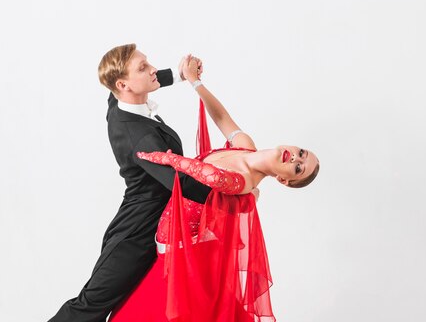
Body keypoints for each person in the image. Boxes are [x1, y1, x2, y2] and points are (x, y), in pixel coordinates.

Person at [108, 58, 320, 322]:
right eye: (301, 153)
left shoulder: (244, 182)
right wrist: (195, 83)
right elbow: (221, 117)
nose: (295, 158)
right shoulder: (245, 145)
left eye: (299, 168)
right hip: (164, 237)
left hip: (184, 256)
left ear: (283, 180)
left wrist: (165, 158)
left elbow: (204, 175)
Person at [49, 44, 214, 322]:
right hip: (136, 237)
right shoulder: (140, 138)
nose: (152, 69)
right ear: (123, 84)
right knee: (89, 306)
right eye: (143, 68)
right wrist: (232, 191)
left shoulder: (117, 102)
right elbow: (181, 184)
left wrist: (179, 74)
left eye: (148, 63)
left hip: (147, 225)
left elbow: (138, 83)